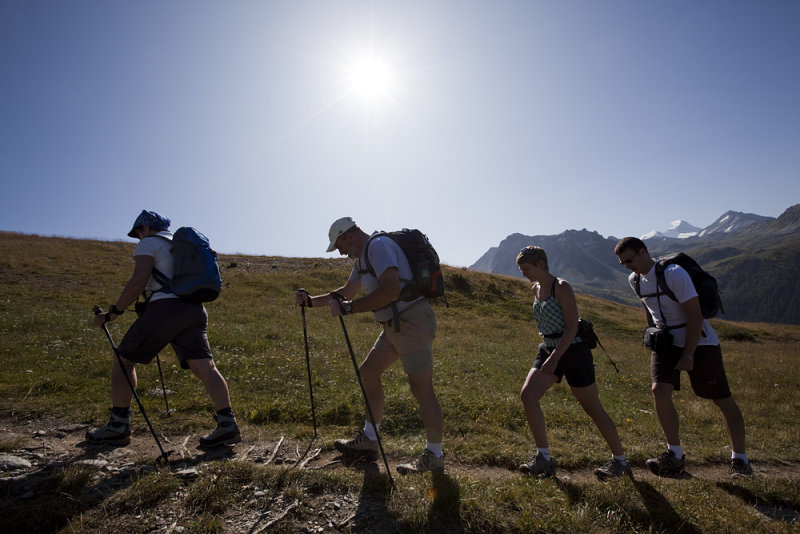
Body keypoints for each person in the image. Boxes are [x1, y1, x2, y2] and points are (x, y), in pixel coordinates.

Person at [294, 217, 444, 475]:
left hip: (412, 321)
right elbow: (346, 291)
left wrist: (350, 309)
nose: (340, 252)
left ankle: (435, 454)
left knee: (421, 389)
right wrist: (310, 302)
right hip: (394, 325)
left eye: (339, 245)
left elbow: (390, 291)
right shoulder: (361, 258)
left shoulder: (378, 246)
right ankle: (369, 440)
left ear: (349, 236)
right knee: (368, 373)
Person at [87, 210, 241, 449]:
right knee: (205, 366)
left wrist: (114, 312)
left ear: (146, 228)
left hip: (166, 308)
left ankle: (118, 426)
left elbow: (138, 280)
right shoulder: (179, 245)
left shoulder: (150, 243)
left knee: (124, 360)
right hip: (194, 309)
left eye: (138, 231)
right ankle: (227, 424)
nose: (138, 236)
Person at [614, 237, 751, 478]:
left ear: (643, 252)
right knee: (659, 391)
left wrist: (688, 354)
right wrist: (652, 334)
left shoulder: (674, 273)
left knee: (721, 399)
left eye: (629, 260)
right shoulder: (634, 280)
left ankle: (740, 460)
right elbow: (649, 307)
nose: (627, 266)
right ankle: (674, 455)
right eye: (623, 263)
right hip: (666, 342)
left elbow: (695, 316)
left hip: (699, 341)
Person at [516, 246, 631, 480]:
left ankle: (620, 461)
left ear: (540, 264)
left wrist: (555, 358)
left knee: (592, 408)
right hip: (548, 347)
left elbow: (572, 327)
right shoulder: (536, 288)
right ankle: (544, 458)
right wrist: (550, 355)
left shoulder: (562, 287)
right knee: (528, 396)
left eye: (526, 268)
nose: (523, 273)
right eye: (521, 269)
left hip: (574, 351)